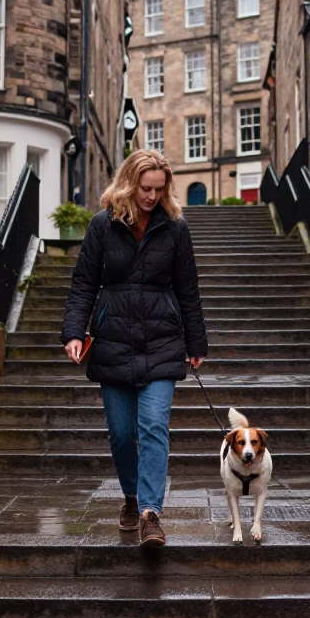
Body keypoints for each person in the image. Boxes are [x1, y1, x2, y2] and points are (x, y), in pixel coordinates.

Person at [62, 150, 208, 546]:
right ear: (129, 183)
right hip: (112, 341)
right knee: (122, 435)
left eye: (159, 189)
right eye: (146, 188)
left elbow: (188, 290)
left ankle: (149, 513)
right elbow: (83, 285)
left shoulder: (176, 227)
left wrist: (196, 342)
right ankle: (131, 496)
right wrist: (75, 332)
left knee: (154, 427)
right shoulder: (101, 226)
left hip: (162, 341)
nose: (151, 196)